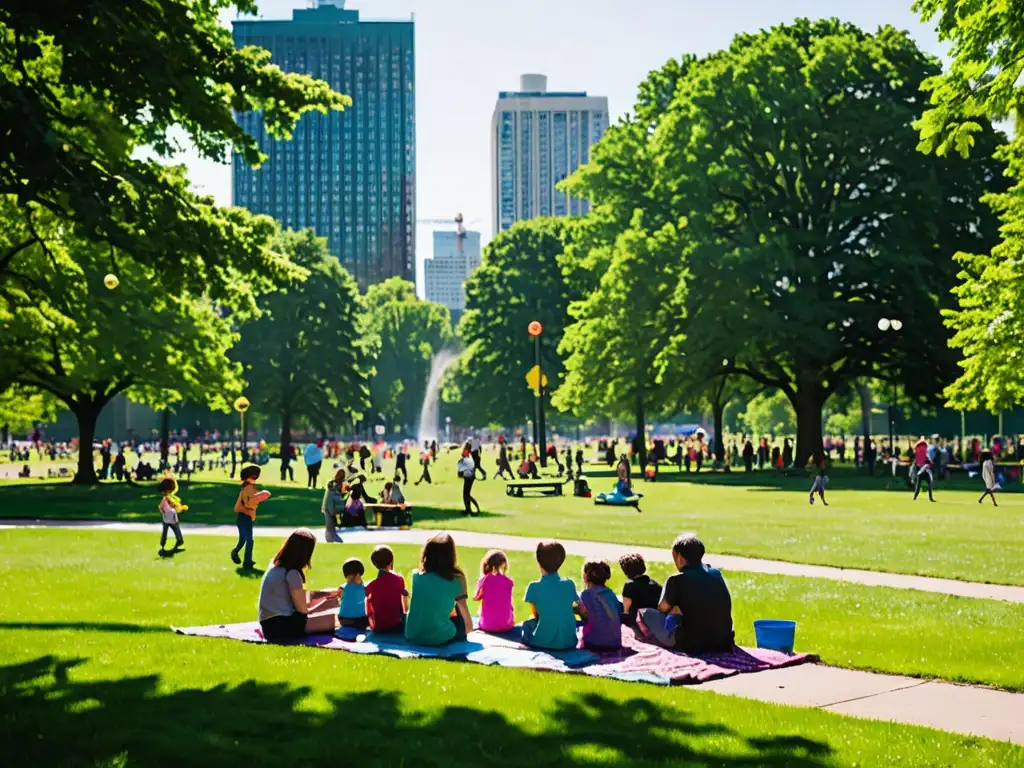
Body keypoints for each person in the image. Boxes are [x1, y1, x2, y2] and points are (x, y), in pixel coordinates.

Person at [637, 534, 734, 654]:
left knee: (645, 612)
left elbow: (662, 608)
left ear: (680, 558)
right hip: (723, 641)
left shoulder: (676, 580)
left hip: (691, 643)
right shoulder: (716, 574)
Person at [258, 529, 339, 642]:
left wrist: (327, 595)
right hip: (281, 626)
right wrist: (325, 603)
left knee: (330, 606)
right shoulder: (292, 573)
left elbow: (301, 597)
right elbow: (302, 610)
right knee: (333, 619)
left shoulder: (276, 565)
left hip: (269, 624)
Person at [404, 533, 473, 646]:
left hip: (411, 634)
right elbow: (467, 621)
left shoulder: (415, 576)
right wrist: (468, 627)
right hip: (439, 637)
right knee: (457, 607)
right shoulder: (457, 580)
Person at [521, 541, 580, 651]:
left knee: (527, 625)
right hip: (569, 641)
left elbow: (535, 614)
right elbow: (573, 605)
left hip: (542, 642)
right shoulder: (569, 584)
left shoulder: (534, 587)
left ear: (539, 562)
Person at [578, 560, 623, 652]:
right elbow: (618, 611)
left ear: (585, 576)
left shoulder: (586, 594)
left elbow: (585, 616)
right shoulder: (610, 593)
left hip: (594, 644)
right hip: (615, 643)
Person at [232, 465, 271, 568]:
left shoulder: (248, 488)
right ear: (247, 477)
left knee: (243, 539)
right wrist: (260, 497)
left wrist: (259, 497)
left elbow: (250, 500)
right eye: (253, 477)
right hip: (245, 516)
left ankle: (236, 552)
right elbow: (248, 502)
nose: (255, 479)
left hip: (243, 517)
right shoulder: (248, 488)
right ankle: (247, 561)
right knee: (249, 539)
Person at [366, 545, 408, 633]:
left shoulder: (371, 586)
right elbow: (404, 604)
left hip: (379, 626)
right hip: (396, 625)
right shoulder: (399, 579)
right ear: (391, 561)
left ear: (375, 564)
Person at [473, 549, 515, 633]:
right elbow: (510, 605)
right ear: (503, 565)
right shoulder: (509, 581)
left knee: (480, 612)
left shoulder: (484, 580)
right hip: (507, 625)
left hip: (487, 626)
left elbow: (476, 598)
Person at [617, 553, 662, 627]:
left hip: (637, 623)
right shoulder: (654, 584)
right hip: (654, 623)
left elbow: (626, 611)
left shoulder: (630, 585)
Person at [157, 477, 186, 554]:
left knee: (177, 531)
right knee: (164, 533)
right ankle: (162, 547)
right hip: (166, 519)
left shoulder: (173, 498)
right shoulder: (165, 499)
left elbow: (176, 507)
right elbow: (160, 507)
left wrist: (180, 508)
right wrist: (163, 513)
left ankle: (179, 543)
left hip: (173, 518)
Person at [338, 558, 369, 630]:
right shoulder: (364, 589)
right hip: (360, 620)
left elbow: (340, 599)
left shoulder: (342, 588)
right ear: (359, 574)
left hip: (344, 620)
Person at [320, 469, 346, 543]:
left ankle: (331, 536)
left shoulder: (334, 485)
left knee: (331, 523)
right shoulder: (333, 485)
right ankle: (329, 537)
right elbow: (331, 499)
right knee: (330, 523)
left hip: (330, 507)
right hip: (329, 507)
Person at [457, 448, 480, 516]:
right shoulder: (469, 458)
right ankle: (468, 509)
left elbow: (460, 473)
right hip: (470, 477)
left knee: (466, 495)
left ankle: (472, 509)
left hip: (469, 478)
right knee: (466, 495)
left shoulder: (466, 460)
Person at [912, 437, 936, 503]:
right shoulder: (925, 451)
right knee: (930, 484)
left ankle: (915, 497)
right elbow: (929, 460)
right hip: (926, 471)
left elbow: (917, 462)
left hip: (920, 471)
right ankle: (931, 498)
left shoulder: (917, 452)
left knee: (918, 485)